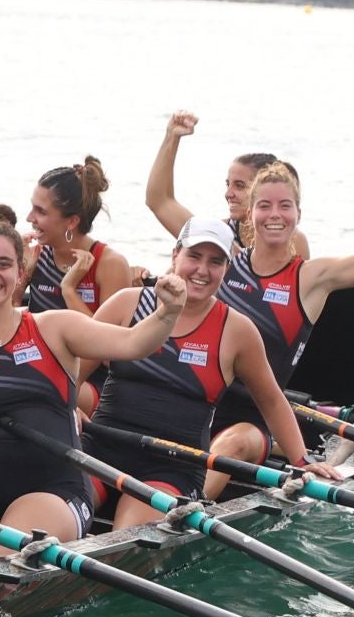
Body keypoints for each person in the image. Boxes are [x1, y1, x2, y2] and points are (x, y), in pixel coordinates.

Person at [0, 218, 186, 547]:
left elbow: (132, 344)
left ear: (19, 272)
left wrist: (168, 312)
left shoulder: (55, 328)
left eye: (3, 264)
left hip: (55, 489)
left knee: (6, 560)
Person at [85, 218, 339, 530]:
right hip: (98, 450)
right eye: (194, 257)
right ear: (175, 255)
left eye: (215, 262)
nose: (203, 270)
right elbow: (68, 375)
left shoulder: (236, 330)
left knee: (127, 537)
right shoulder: (127, 303)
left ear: (226, 268)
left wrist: (302, 462)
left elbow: (272, 401)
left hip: (171, 468)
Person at [200, 154, 354, 497]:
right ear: (251, 213)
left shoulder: (311, 277)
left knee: (232, 446)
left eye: (285, 206)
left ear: (298, 214)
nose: (275, 215)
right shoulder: (225, 262)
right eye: (265, 206)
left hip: (254, 422)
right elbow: (161, 203)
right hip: (199, 404)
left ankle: (179, 514)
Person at [144, 110, 311, 256]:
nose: (228, 194)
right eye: (228, 185)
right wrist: (171, 136)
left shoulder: (294, 241)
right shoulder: (217, 234)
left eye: (239, 186)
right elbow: (159, 201)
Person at [23, 158, 131, 318]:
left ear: (72, 221)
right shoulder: (35, 256)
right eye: (32, 208)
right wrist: (23, 276)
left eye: (41, 211)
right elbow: (4, 326)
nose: (29, 218)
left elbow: (109, 340)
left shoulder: (110, 265)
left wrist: (68, 289)